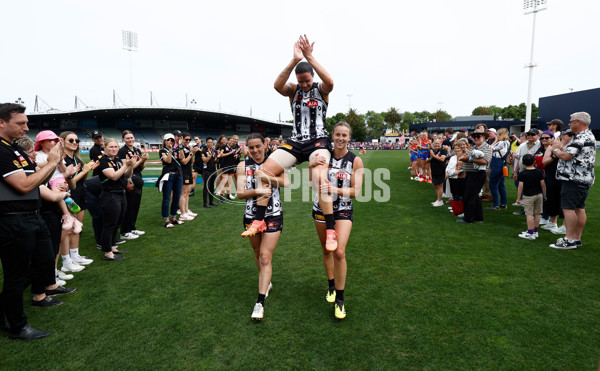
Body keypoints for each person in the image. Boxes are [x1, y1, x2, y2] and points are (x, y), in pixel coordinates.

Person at [242, 34, 337, 251]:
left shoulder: (321, 90)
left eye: (307, 81)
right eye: (301, 81)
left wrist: (310, 57)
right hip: (295, 142)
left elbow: (330, 82)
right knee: (263, 171)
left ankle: (331, 230)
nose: (304, 85)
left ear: (313, 78)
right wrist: (294, 60)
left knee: (320, 178)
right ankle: (259, 220)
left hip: (318, 141)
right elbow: (277, 85)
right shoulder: (293, 90)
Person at [0, 103, 65, 339]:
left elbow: (38, 178)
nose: (26, 127)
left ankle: (7, 310)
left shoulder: (14, 148)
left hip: (33, 217)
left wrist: (53, 163)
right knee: (17, 275)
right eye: (21, 123)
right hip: (14, 220)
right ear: (1, 122)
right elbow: (24, 184)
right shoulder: (2, 150)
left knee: (45, 261)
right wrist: (51, 163)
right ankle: (18, 326)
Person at [310, 122, 364, 320]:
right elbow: (312, 184)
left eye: (345, 135)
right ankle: (331, 286)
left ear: (350, 137)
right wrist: (311, 166)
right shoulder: (324, 156)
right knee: (326, 250)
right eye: (338, 134)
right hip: (321, 209)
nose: (341, 138)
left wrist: (334, 190)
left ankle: (340, 300)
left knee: (339, 252)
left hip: (343, 209)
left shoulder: (355, 161)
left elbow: (356, 192)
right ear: (332, 136)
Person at [236, 133, 289, 320]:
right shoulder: (243, 165)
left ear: (264, 145)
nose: (255, 150)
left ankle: (259, 302)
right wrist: (258, 190)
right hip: (251, 215)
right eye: (251, 147)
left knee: (266, 257)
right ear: (247, 149)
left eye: (258, 146)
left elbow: (286, 182)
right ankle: (266, 283)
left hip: (273, 214)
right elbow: (240, 193)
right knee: (258, 253)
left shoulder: (274, 163)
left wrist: (266, 177)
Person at [549, 112, 596, 249]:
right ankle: (576, 238)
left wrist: (556, 149)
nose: (569, 124)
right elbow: (574, 154)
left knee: (568, 208)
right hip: (583, 178)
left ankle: (569, 239)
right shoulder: (588, 135)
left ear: (579, 122)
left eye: (571, 121)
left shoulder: (581, 137)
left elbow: (566, 156)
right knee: (579, 208)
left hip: (574, 178)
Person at [60, 131, 97, 269]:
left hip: (81, 193)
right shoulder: (62, 160)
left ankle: (75, 256)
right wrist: (84, 171)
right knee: (68, 230)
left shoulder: (76, 159)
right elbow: (68, 182)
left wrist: (86, 171)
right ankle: (66, 262)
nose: (75, 142)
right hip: (70, 196)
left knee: (77, 228)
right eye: (71, 140)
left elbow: (81, 179)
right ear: (62, 141)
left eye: (77, 140)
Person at [97, 138, 135, 260]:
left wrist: (131, 166)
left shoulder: (117, 159)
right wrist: (126, 165)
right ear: (105, 148)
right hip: (110, 195)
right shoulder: (103, 160)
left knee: (117, 223)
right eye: (111, 147)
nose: (114, 149)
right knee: (109, 224)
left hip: (120, 194)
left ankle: (112, 246)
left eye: (115, 147)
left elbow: (126, 175)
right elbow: (113, 176)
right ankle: (107, 252)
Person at [457, 128, 492, 224]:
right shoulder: (473, 147)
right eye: (474, 136)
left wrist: (470, 159)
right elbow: (464, 156)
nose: (476, 138)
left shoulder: (487, 148)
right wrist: (466, 158)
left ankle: (468, 218)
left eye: (478, 136)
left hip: (477, 174)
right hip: (471, 174)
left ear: (484, 137)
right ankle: (478, 217)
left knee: (469, 197)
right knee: (475, 197)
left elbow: (485, 161)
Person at [118, 130, 148, 238]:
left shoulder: (136, 150)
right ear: (123, 139)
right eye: (127, 138)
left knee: (135, 206)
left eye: (131, 137)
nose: (130, 140)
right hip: (129, 180)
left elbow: (140, 168)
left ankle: (132, 228)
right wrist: (140, 161)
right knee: (128, 206)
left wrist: (143, 161)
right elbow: (126, 169)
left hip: (138, 178)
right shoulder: (122, 151)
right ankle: (124, 231)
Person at [516, 154, 547, 240]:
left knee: (529, 214)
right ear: (534, 162)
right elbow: (543, 185)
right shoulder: (539, 172)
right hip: (539, 195)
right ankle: (535, 231)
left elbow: (520, 186)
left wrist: (519, 197)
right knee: (537, 213)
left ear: (523, 163)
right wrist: (544, 195)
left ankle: (530, 233)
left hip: (528, 196)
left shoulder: (522, 173)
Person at [158, 133, 184, 227]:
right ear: (164, 141)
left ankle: (173, 218)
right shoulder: (162, 151)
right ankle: (166, 220)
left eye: (172, 140)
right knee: (167, 198)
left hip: (178, 175)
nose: (170, 142)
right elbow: (168, 161)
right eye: (168, 140)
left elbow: (182, 158)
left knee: (176, 197)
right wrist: (170, 150)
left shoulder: (176, 149)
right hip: (168, 176)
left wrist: (180, 146)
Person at [540, 131, 564, 233]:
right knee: (551, 198)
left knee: (562, 200)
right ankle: (552, 222)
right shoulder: (550, 148)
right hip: (551, 175)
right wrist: (555, 155)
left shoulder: (570, 148)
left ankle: (564, 225)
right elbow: (544, 162)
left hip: (563, 176)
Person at [487, 128, 510, 210]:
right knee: (501, 185)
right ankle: (504, 203)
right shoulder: (507, 142)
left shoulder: (500, 143)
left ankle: (496, 205)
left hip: (496, 164)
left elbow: (489, 148)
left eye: (497, 134)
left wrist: (494, 141)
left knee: (493, 185)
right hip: (502, 164)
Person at [177, 132, 198, 220]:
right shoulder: (180, 148)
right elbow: (184, 161)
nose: (188, 141)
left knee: (187, 193)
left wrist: (192, 153)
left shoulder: (187, 148)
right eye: (186, 139)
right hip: (183, 172)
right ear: (181, 139)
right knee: (183, 193)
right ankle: (183, 213)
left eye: (189, 140)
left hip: (188, 171)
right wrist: (191, 153)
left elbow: (192, 161)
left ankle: (186, 210)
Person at [200, 137, 219, 208]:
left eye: (211, 142)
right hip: (206, 171)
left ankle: (211, 201)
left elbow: (215, 161)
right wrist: (209, 155)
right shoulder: (203, 151)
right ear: (206, 143)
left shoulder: (214, 150)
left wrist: (218, 158)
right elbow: (204, 160)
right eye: (209, 142)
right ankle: (205, 203)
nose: (210, 143)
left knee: (212, 187)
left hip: (213, 170)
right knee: (206, 187)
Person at [428, 139, 447, 207]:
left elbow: (442, 159)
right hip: (434, 170)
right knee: (435, 185)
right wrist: (429, 158)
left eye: (438, 143)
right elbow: (429, 159)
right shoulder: (432, 151)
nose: (437, 145)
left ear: (440, 144)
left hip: (441, 170)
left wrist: (433, 156)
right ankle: (438, 199)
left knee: (440, 185)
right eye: (435, 143)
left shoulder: (443, 150)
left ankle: (439, 200)